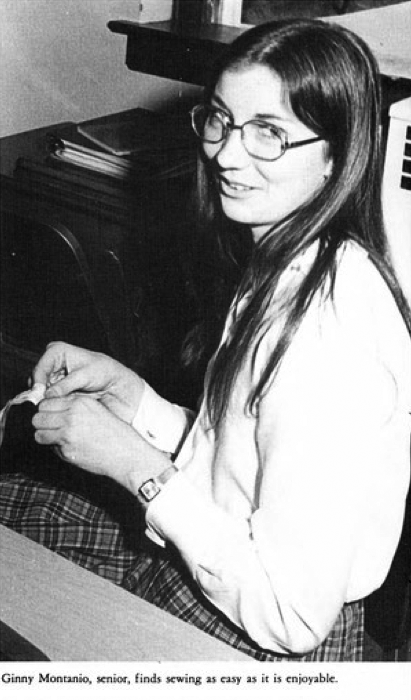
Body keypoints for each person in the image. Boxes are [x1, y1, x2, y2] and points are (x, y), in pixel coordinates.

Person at [28, 19, 411, 661]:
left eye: (269, 133)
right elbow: (242, 466)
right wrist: (136, 402)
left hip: (255, 637)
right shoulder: (291, 256)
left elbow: (292, 616)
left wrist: (135, 465)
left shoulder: (327, 342)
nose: (227, 155)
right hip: (219, 568)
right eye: (222, 120)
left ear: (337, 155)